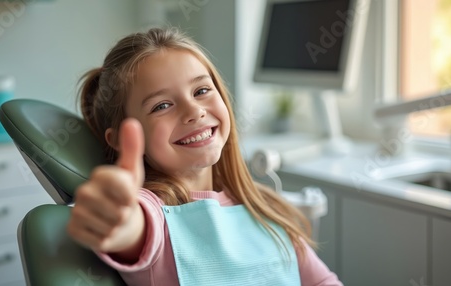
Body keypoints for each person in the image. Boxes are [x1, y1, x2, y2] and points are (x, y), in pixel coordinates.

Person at [67, 27, 342, 286]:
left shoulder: (264, 205)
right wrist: (117, 218)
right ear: (117, 140)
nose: (194, 111)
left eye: (201, 91)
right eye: (161, 105)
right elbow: (132, 227)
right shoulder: (153, 214)